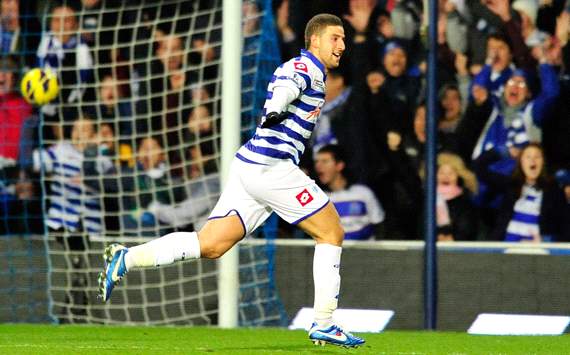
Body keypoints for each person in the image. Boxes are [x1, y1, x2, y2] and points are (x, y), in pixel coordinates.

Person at [98, 14, 365, 347]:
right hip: (270, 167)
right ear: (315, 40)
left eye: (342, 39)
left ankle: (128, 258)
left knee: (211, 244)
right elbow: (286, 86)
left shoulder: (312, 72)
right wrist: (276, 108)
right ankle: (324, 321)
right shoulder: (305, 68)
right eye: (335, 38)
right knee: (331, 230)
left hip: (251, 167)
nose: (342, 45)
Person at [473, 143, 567, 242]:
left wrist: (545, 241)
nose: (532, 160)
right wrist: (505, 151)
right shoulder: (509, 185)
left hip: (538, 253)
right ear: (521, 162)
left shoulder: (554, 192)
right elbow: (478, 167)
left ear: (543, 162)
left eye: (537, 157)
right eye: (528, 157)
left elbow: (565, 226)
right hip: (505, 250)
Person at [315, 145, 384, 240]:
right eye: (316, 162)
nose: (318, 166)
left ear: (339, 165)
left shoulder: (363, 193)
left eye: (325, 161)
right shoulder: (319, 199)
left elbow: (379, 225)